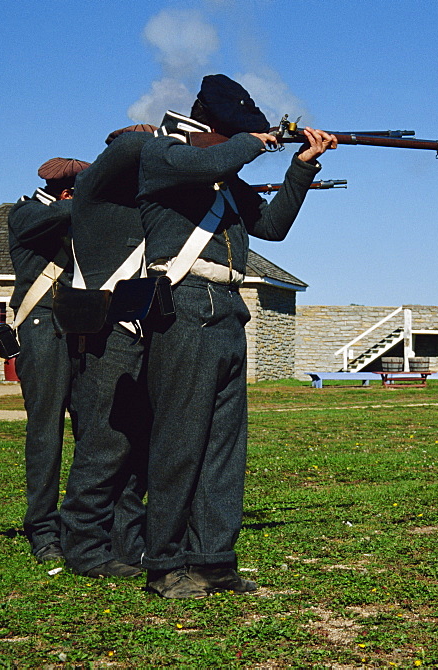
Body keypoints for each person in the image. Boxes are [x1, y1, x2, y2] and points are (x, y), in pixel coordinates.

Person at [138, 74, 337, 598]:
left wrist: (301, 167)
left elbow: (270, 226)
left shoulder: (221, 178)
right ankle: (164, 564)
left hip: (227, 313)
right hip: (182, 310)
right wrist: (255, 142)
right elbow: (209, 161)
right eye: (236, 134)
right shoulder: (164, 154)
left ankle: (213, 560)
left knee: (225, 448)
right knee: (180, 444)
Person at [58, 125, 157, 578]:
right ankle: (83, 547)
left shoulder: (140, 204)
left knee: (135, 448)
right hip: (105, 336)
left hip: (138, 334)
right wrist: (170, 138)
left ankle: (126, 543)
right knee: (102, 446)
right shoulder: (93, 193)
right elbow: (134, 145)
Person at [8, 157, 88, 563]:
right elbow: (60, 214)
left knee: (93, 429)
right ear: (67, 190)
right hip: (41, 328)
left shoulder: (74, 212)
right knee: (46, 432)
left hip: (82, 328)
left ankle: (85, 522)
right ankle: (42, 527)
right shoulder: (26, 212)